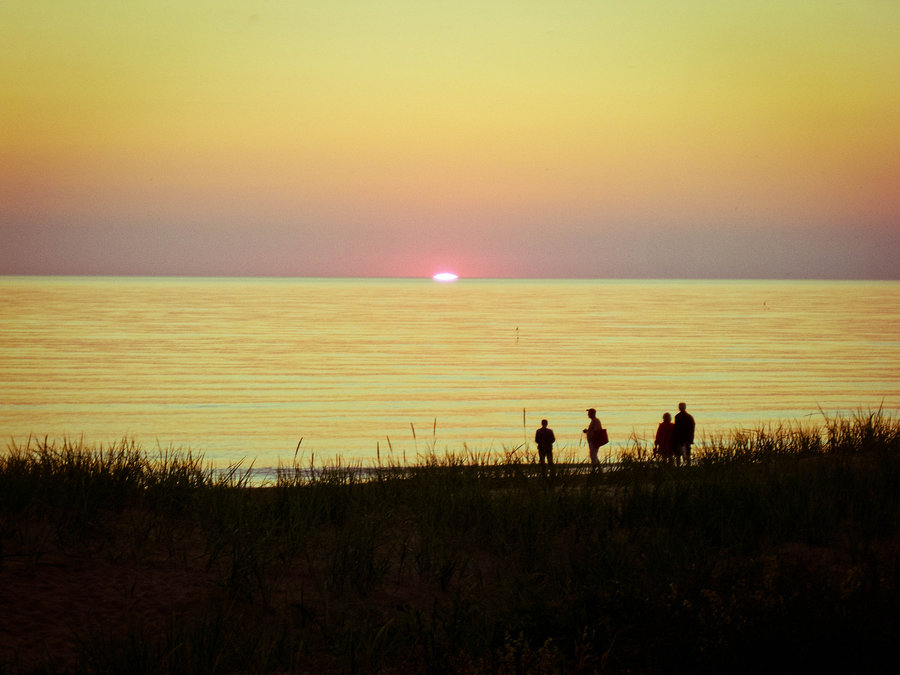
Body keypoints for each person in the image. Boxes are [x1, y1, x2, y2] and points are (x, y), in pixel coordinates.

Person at [672, 402, 695, 466]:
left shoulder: (681, 416)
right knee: (681, 454)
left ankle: (683, 466)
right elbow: (692, 429)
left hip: (683, 438)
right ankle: (685, 466)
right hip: (681, 438)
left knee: (681, 454)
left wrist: (690, 439)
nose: (680, 408)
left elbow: (691, 429)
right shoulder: (687, 417)